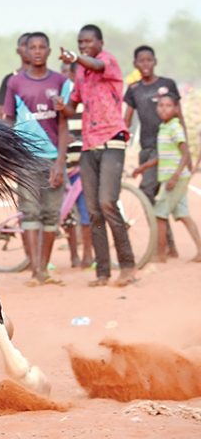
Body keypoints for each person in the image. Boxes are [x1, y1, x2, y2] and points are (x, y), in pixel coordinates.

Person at [56, 24, 136, 286]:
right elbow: (72, 107)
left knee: (107, 203)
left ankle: (127, 265)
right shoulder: (80, 72)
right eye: (80, 42)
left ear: (100, 43)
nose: (83, 45)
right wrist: (62, 107)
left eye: (88, 42)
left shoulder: (106, 61)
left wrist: (76, 57)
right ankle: (103, 272)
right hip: (89, 146)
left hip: (112, 139)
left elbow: (97, 65)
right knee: (93, 210)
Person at [2, 33, 69, 285]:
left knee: (51, 215)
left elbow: (63, 125)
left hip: (53, 158)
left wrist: (61, 163)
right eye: (33, 47)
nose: (38, 51)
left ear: (49, 51)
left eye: (42, 47)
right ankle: (35, 272)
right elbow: (8, 121)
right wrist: (9, 156)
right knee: (30, 212)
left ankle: (45, 269)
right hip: (26, 159)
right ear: (25, 52)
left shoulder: (60, 80)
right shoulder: (15, 82)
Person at [123, 45, 182, 258]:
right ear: (135, 64)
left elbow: (179, 115)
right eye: (141, 61)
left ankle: (162, 245)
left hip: (166, 148)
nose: (145, 64)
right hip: (147, 149)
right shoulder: (134, 89)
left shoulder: (167, 85)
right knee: (154, 196)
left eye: (149, 60)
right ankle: (169, 245)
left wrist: (186, 151)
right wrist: (120, 141)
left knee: (149, 194)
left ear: (154, 61)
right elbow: (127, 120)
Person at [133, 94, 201, 263]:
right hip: (170, 177)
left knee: (159, 215)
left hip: (174, 178)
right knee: (184, 215)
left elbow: (185, 153)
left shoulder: (175, 127)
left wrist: (175, 176)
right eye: (161, 105)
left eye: (168, 105)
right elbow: (161, 156)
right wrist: (143, 167)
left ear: (176, 109)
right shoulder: (164, 127)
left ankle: (161, 254)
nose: (164, 108)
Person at [60, 61, 93, 269]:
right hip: (66, 162)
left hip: (84, 162)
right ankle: (73, 255)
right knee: (68, 213)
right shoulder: (64, 98)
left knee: (86, 211)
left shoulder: (89, 96)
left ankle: (88, 254)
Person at [0, 33, 32, 120]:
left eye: (30, 45)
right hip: (18, 131)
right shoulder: (9, 79)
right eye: (24, 45)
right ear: (17, 50)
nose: (27, 48)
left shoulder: (49, 79)